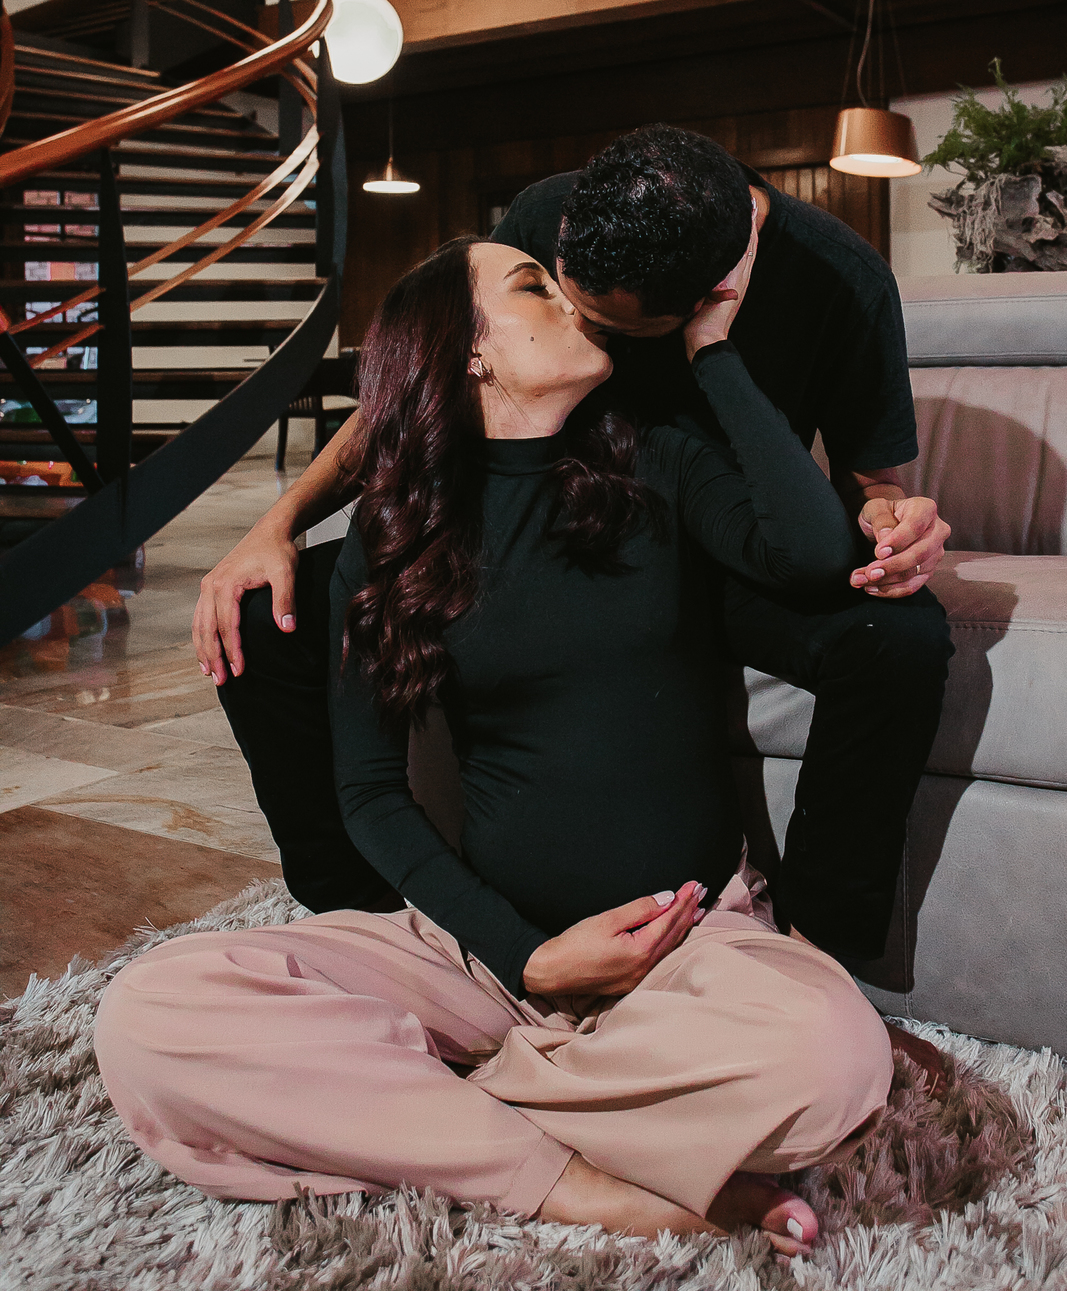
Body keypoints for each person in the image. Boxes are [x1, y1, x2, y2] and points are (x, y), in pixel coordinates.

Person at [97, 232, 894, 1260]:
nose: (571, 299)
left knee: (831, 1059)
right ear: (468, 350)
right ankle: (581, 1182)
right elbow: (370, 793)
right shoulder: (395, 534)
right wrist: (529, 956)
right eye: (533, 286)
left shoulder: (657, 456)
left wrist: (710, 345)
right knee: (149, 1015)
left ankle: (443, 1103)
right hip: (475, 959)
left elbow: (816, 551)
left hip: (684, 946)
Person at [193, 126, 953, 1071]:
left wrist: (891, 514)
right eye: (552, 289)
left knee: (897, 629)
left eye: (604, 320)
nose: (576, 318)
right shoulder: (558, 221)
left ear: (694, 305)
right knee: (264, 612)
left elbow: (871, 488)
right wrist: (280, 520)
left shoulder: (843, 284)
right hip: (541, 508)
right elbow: (426, 374)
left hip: (706, 532)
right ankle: (369, 917)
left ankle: (815, 956)